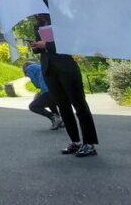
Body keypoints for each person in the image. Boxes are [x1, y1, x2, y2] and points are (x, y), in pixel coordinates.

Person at [31, 14, 99, 157]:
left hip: (66, 67)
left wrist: (47, 45)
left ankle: (89, 143)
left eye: (38, 12)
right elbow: (40, 49)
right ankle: (75, 142)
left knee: (79, 105)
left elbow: (70, 42)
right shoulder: (38, 26)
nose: (36, 15)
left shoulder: (62, 21)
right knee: (63, 107)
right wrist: (36, 46)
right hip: (49, 70)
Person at [25, 60, 62, 130]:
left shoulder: (29, 69)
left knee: (33, 106)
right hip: (59, 92)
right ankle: (59, 119)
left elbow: (37, 85)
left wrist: (39, 95)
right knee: (49, 101)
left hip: (50, 92)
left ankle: (53, 117)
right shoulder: (42, 68)